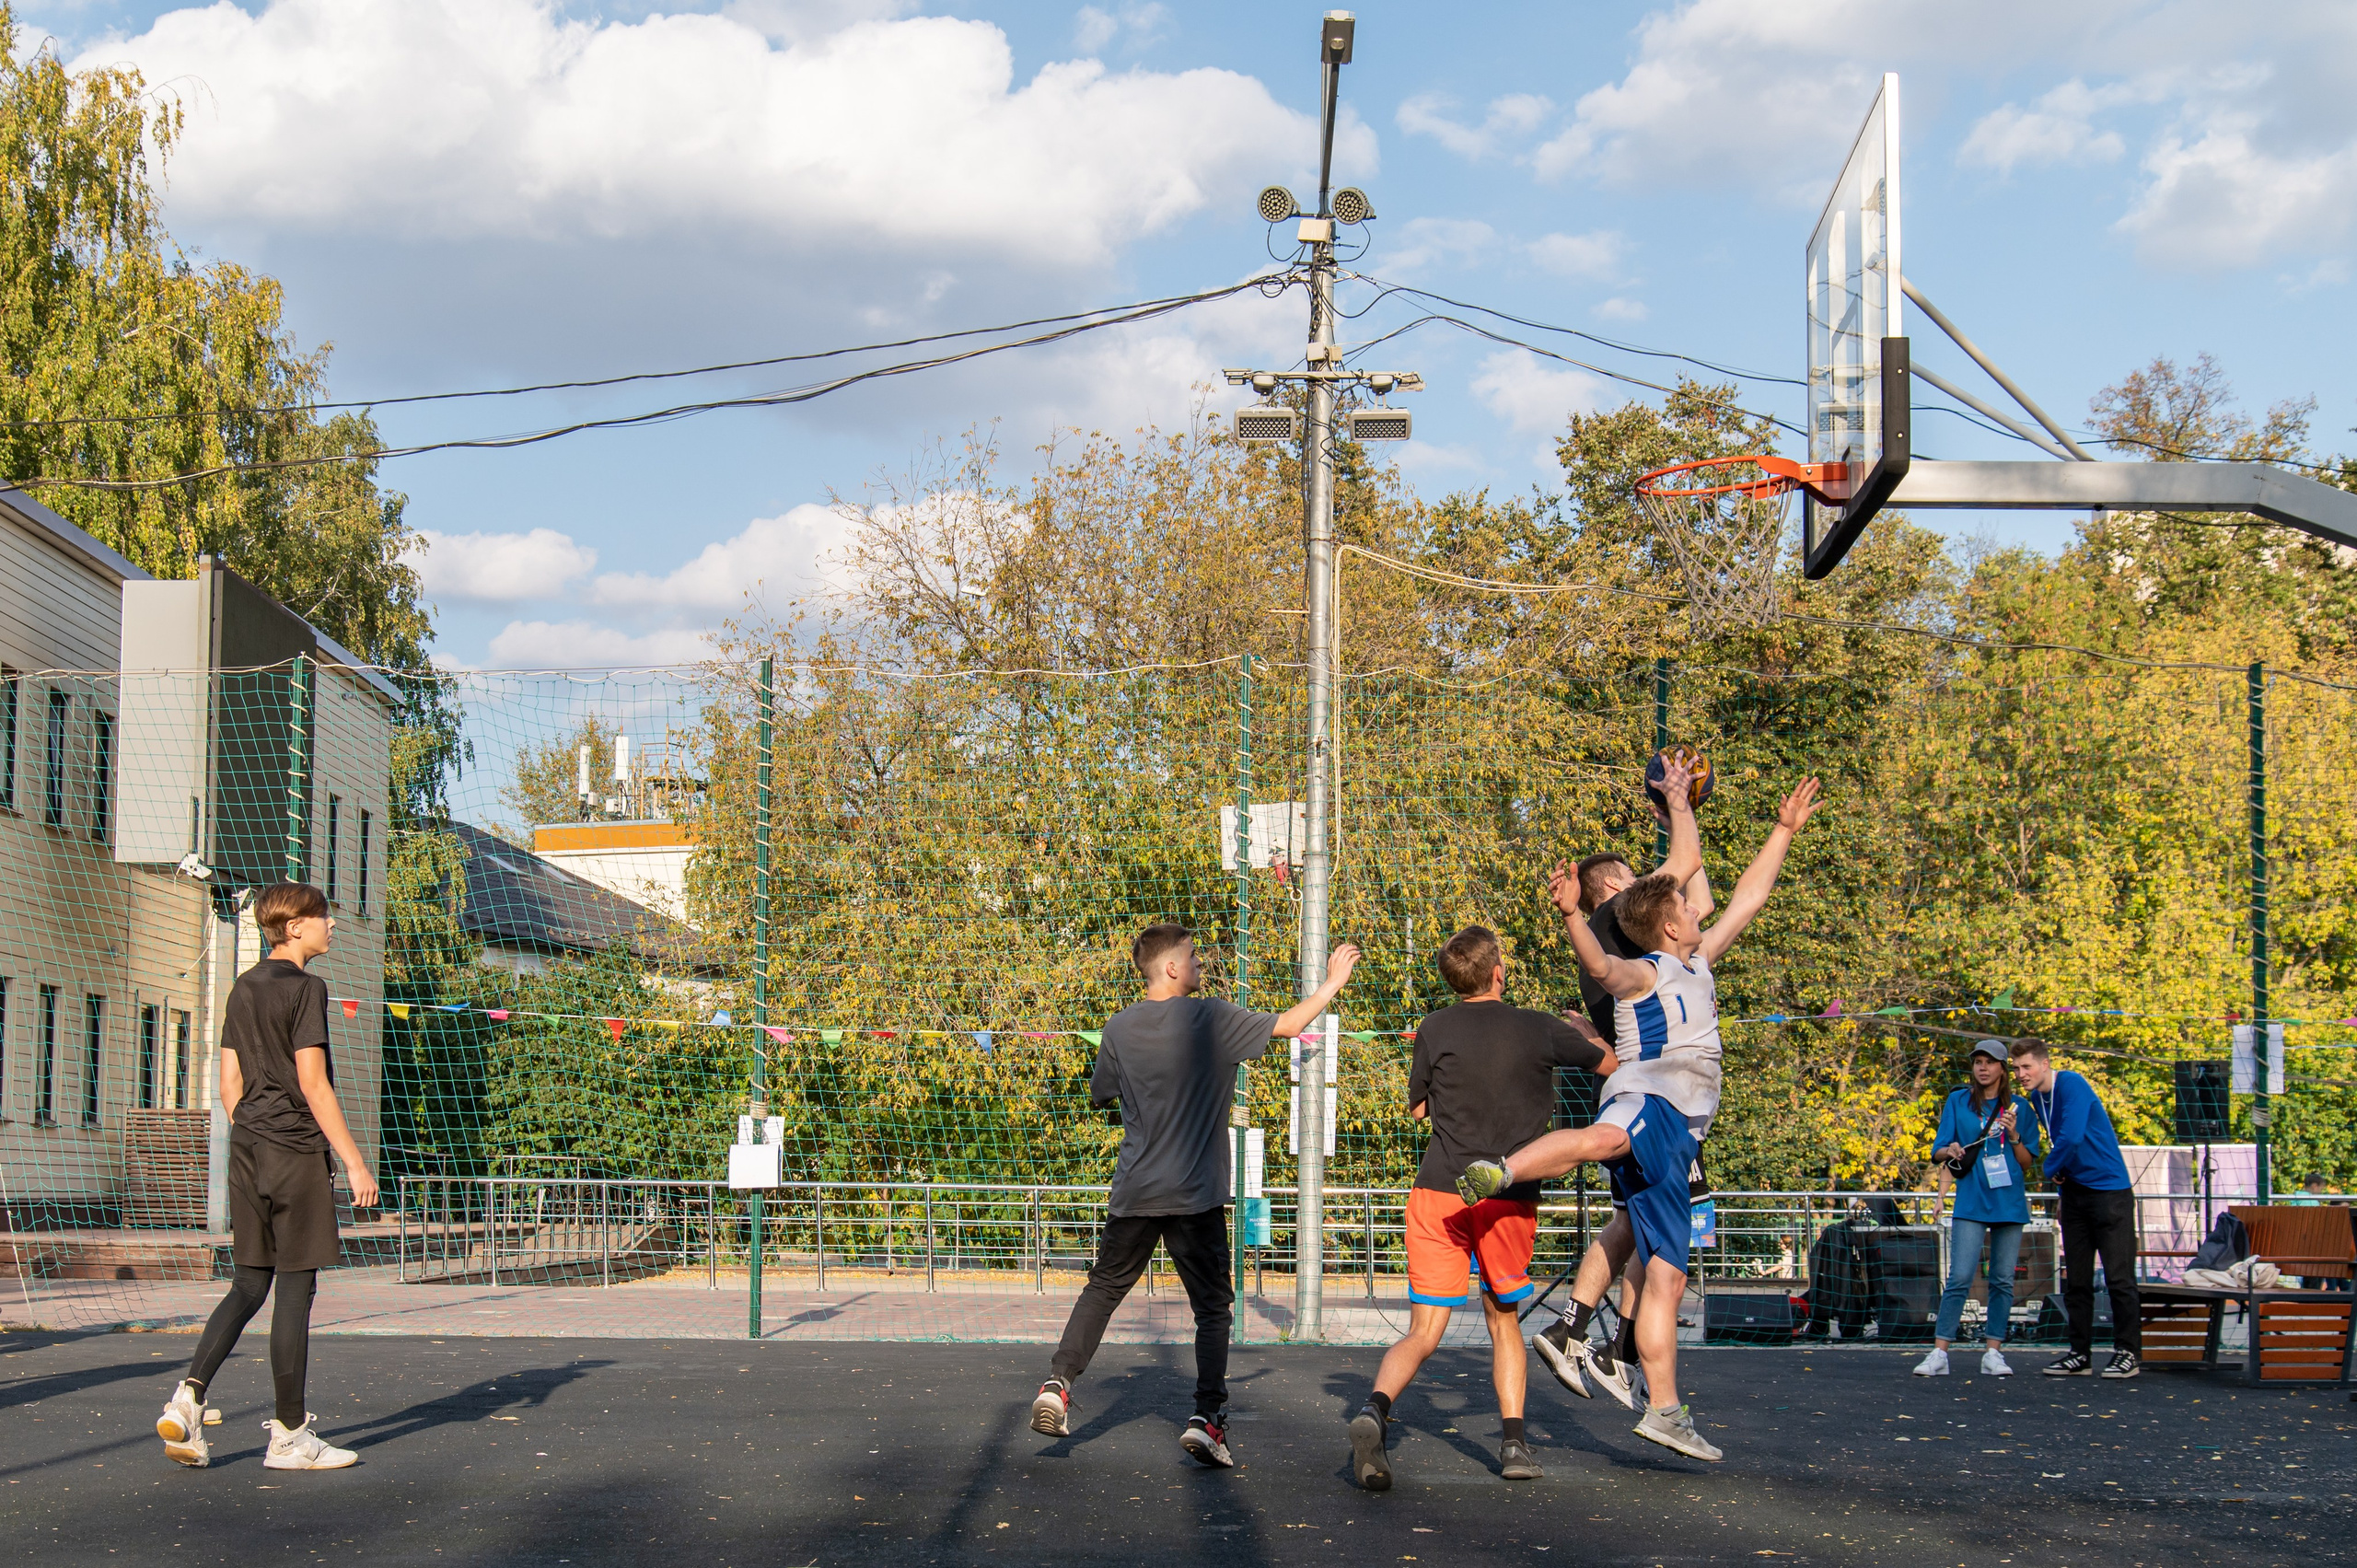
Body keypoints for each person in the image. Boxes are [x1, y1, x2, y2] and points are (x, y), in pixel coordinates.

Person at [1457, 776, 1824, 1462]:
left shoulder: (1700, 961)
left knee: (1667, 1274)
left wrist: (1784, 831)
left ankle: (1664, 1409)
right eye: (1686, 902)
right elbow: (1600, 963)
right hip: (1648, 1097)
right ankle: (1503, 1169)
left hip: (1679, 1129)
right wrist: (1570, 914)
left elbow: (1751, 896)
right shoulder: (1644, 970)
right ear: (1668, 923)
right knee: (1611, 1138)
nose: (1695, 904)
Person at [1030, 924, 1361, 1469]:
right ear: (1170, 968)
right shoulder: (1211, 1018)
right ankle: (1208, 1422)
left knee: (1104, 1289)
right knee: (1212, 1309)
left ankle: (1058, 1384)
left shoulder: (1117, 1028)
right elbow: (1292, 1025)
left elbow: (1103, 1094)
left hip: (1136, 1187)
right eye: (1193, 957)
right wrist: (1331, 983)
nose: (1201, 965)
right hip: (1194, 1192)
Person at [1346, 926, 1615, 1491]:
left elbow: (1418, 1110)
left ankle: (1374, 1409)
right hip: (1505, 1195)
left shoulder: (1436, 1026)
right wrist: (1589, 1031)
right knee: (1503, 1322)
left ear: (1453, 980)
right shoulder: (1539, 1027)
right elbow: (1609, 1065)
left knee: (1423, 1330)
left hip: (1439, 1191)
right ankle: (1514, 1444)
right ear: (1499, 972)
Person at [155, 882, 378, 1470]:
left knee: (249, 1284)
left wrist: (255, 1130)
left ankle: (190, 1396)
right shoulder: (308, 988)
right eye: (324, 917)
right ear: (296, 926)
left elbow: (229, 1085)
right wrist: (354, 1161)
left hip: (248, 1148)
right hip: (294, 1152)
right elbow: (313, 1083)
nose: (333, 925)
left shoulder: (243, 987)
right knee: (295, 1290)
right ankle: (289, 1435)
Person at [1529, 759, 1711, 1411]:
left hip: (1653, 1089)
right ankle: (1587, 1334)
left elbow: (1701, 901)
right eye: (1641, 876)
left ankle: (1598, 1339)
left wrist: (1676, 817)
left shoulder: (1629, 942)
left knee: (1637, 1222)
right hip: (1657, 1097)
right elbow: (1686, 868)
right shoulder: (1620, 917)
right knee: (1656, 1240)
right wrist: (1677, 804)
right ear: (1614, 884)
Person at [2010, 1039, 2141, 1378]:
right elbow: (2059, 1142)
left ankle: (2127, 1352)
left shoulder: (2073, 1084)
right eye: (2016, 1069)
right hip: (2075, 1194)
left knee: (2118, 1278)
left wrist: (2049, 1172)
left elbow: (2070, 1138)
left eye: (2027, 1067)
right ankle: (2079, 1353)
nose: (2021, 1074)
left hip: (2110, 1191)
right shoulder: (2037, 1098)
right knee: (2076, 1279)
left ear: (2045, 1064)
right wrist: (2063, 1179)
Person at [1913, 1040, 2042, 1378]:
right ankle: (1940, 1352)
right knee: (1959, 1277)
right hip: (1971, 1201)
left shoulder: (2021, 1108)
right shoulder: (1957, 1101)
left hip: (2009, 1202)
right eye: (1977, 1062)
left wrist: (2014, 1136)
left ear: (2003, 1068)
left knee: (2002, 1280)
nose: (1982, 1068)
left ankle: (1993, 1352)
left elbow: (2028, 1163)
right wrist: (1950, 1149)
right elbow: (1938, 1151)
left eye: (1990, 1062)